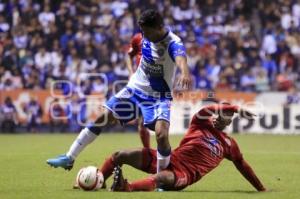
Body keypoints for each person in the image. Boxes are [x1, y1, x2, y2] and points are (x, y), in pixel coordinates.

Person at [47, 9, 192, 176]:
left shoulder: (174, 43)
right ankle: (69, 157)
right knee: (102, 117)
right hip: (134, 89)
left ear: (159, 27)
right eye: (142, 31)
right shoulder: (141, 36)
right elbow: (129, 54)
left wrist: (185, 73)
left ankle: (162, 178)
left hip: (158, 97)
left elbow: (181, 59)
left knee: (161, 135)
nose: (144, 35)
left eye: (147, 32)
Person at [94, 103, 266, 192]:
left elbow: (243, 166)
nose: (219, 117)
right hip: (169, 158)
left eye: (225, 116)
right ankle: (98, 180)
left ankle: (127, 187)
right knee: (119, 155)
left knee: (160, 178)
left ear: (230, 121)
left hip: (184, 175)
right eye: (219, 113)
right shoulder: (200, 122)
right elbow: (207, 109)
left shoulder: (229, 144)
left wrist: (261, 188)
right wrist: (235, 108)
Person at [125, 32, 151, 148]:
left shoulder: (163, 39)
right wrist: (131, 72)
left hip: (158, 85)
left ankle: (160, 158)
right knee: (142, 122)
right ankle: (148, 152)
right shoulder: (137, 38)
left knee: (160, 126)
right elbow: (129, 55)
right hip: (141, 84)